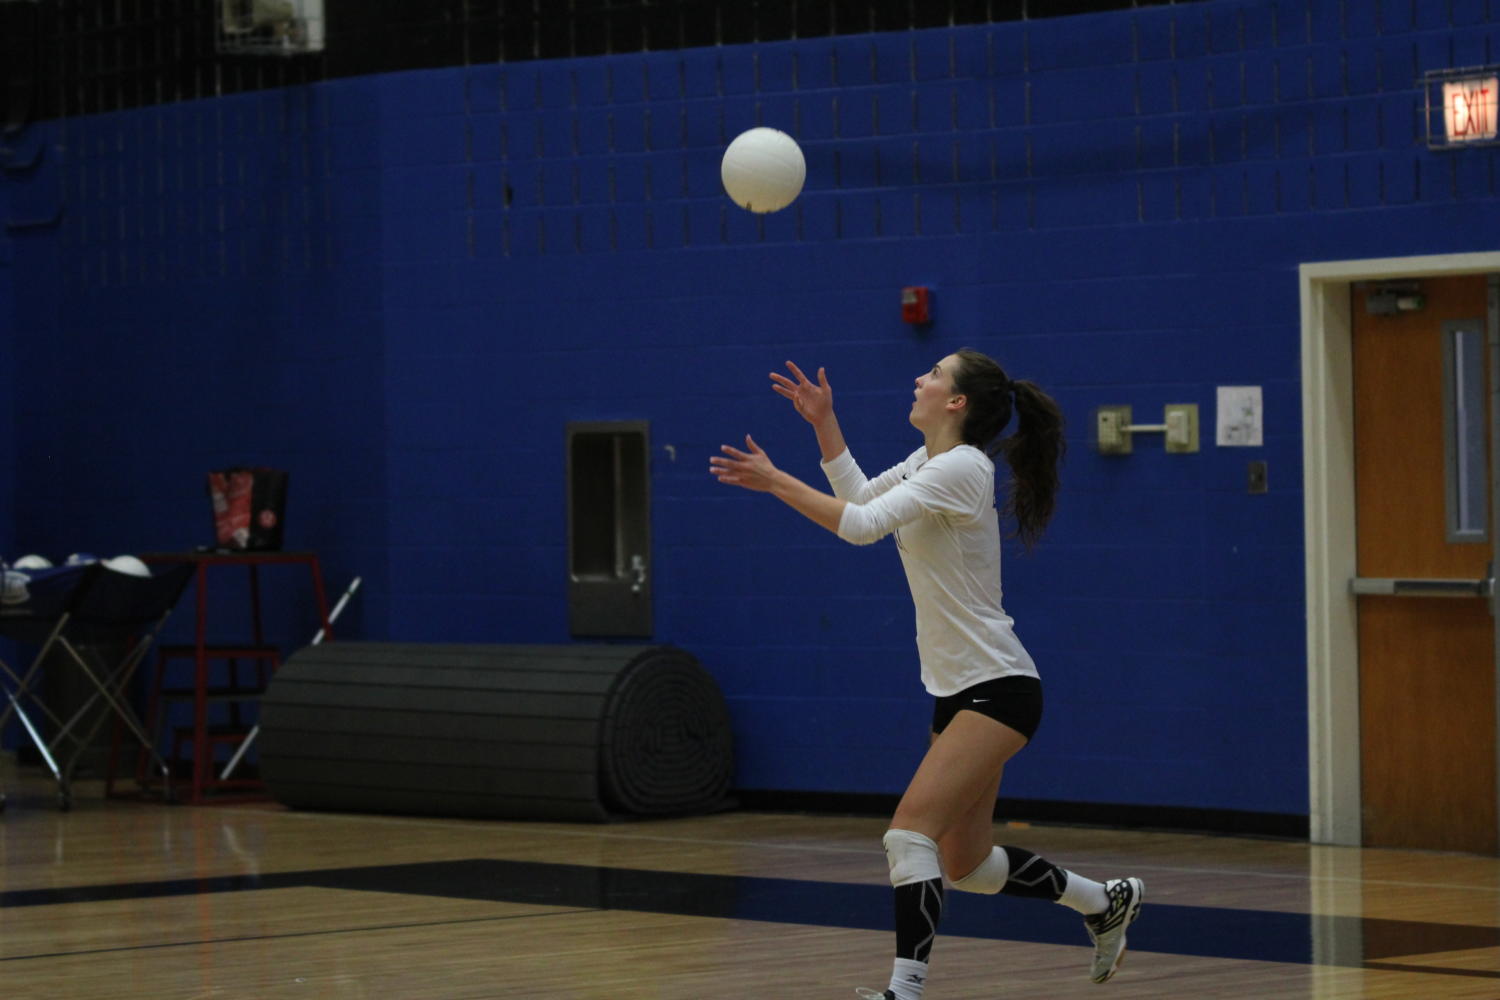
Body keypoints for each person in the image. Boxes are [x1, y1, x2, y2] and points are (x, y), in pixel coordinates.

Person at [709, 351, 1144, 999]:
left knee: (909, 834)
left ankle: (904, 991)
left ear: (957, 403)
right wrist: (824, 425)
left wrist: (776, 481)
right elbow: (859, 500)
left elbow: (858, 529)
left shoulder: (964, 468)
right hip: (960, 691)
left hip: (1000, 689)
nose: (919, 379)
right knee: (966, 864)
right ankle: (1102, 901)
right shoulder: (930, 464)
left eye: (934, 374)